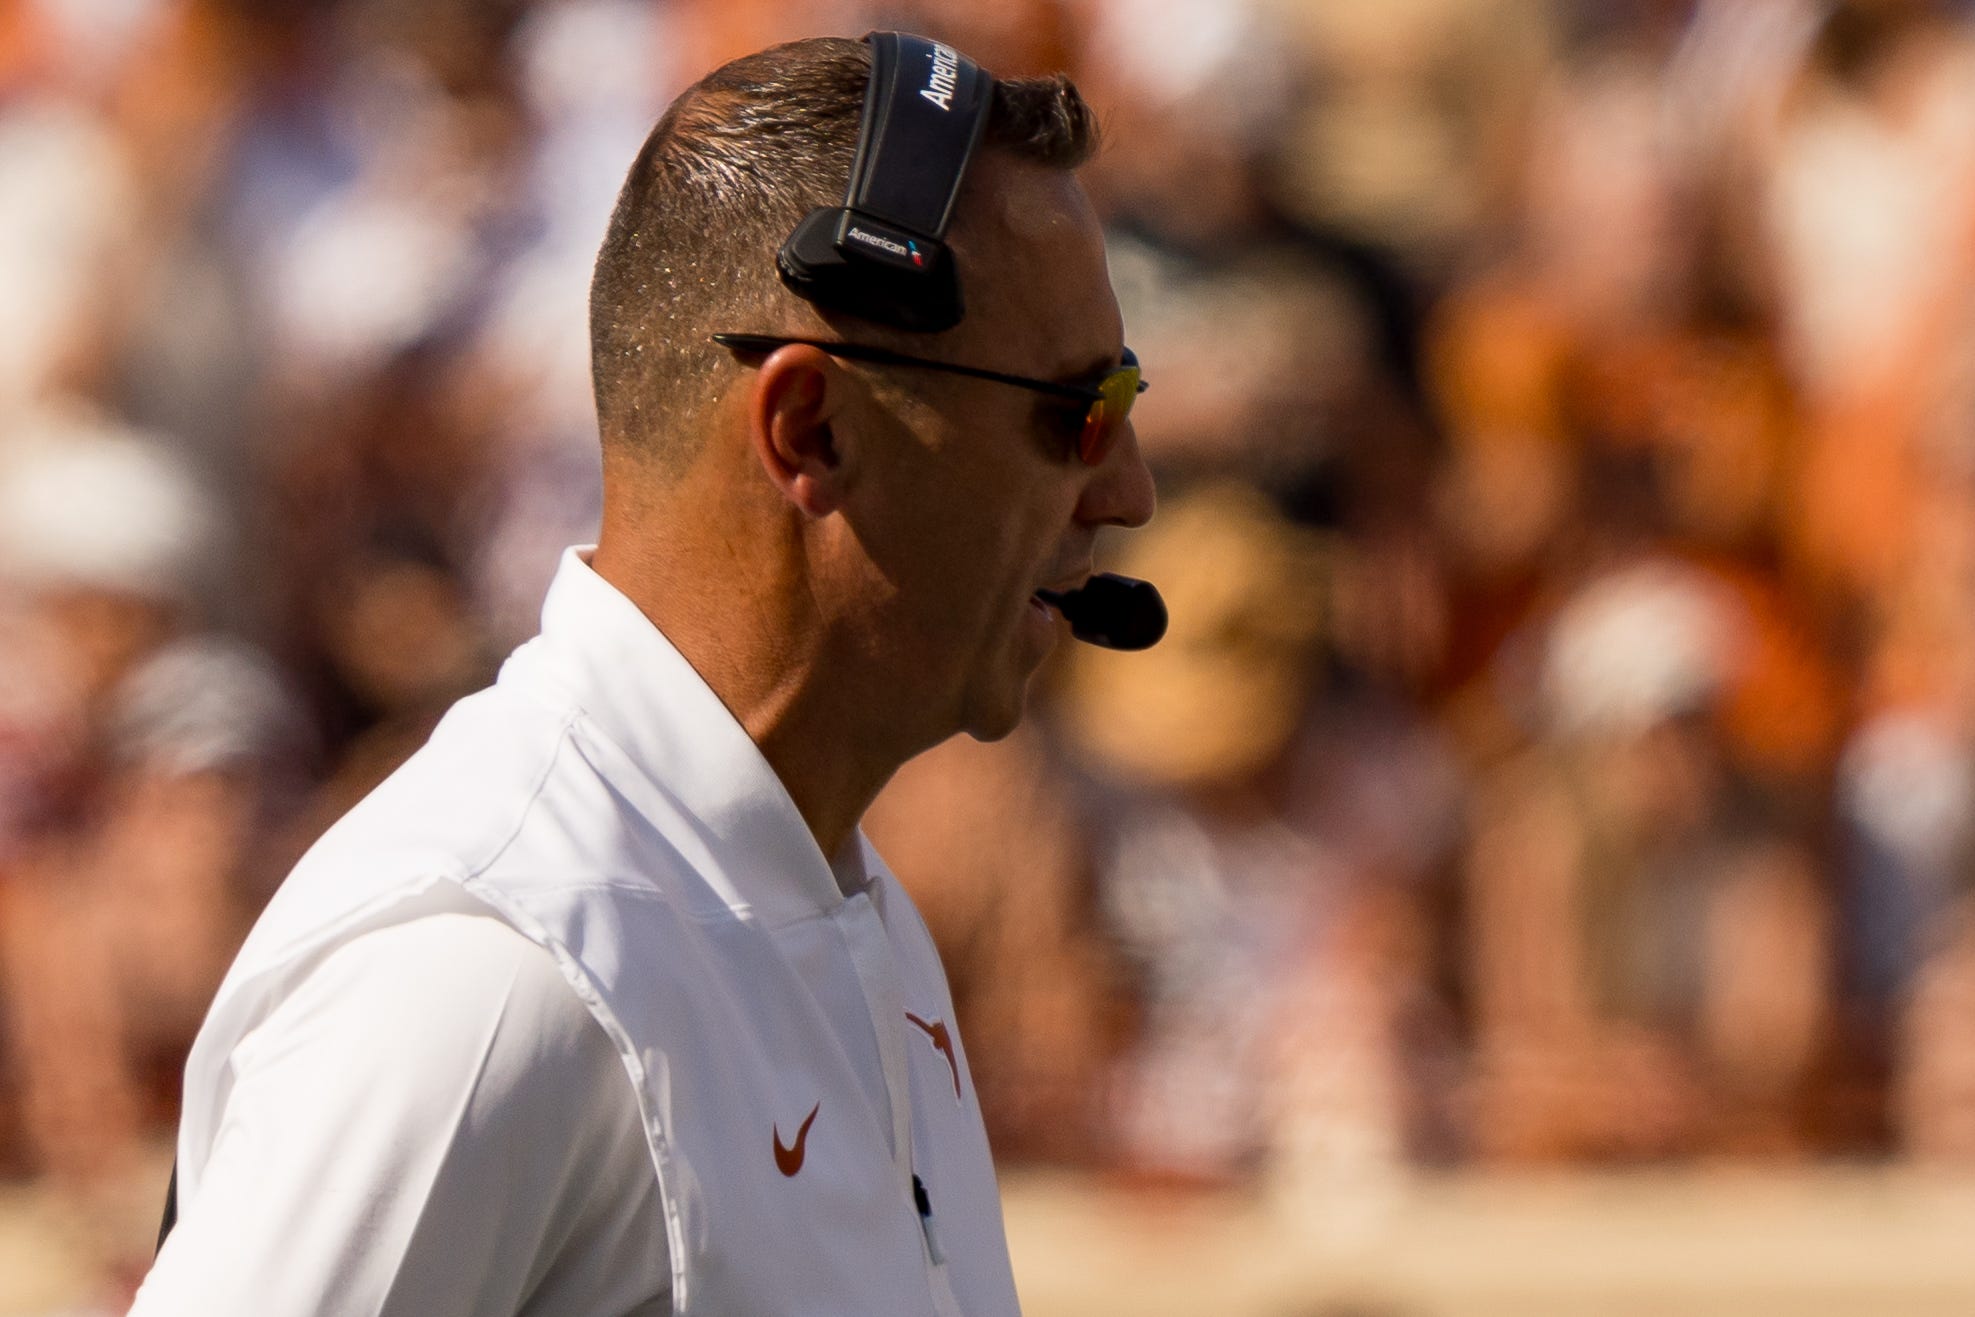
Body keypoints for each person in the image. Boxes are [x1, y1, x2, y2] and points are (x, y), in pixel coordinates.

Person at [131, 32, 1155, 1316]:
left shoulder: (838, 902)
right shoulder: (493, 966)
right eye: (1076, 410)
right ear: (811, 430)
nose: (1127, 490)